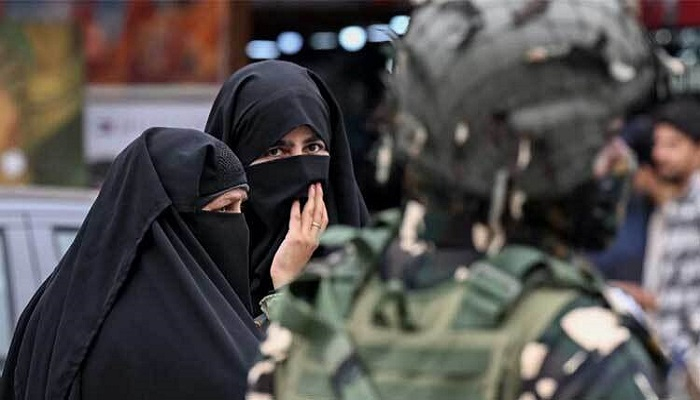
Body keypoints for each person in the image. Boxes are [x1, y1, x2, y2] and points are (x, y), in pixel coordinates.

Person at [246, 1, 669, 399]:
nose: (621, 158)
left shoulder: (311, 315)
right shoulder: (584, 346)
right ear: (534, 153)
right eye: (604, 136)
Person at [1, 127, 278, 399]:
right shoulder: (189, 341)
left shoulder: (50, 311)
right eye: (224, 208)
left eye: (241, 207)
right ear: (175, 218)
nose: (239, 223)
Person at [205, 60, 369, 315]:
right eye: (276, 151)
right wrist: (286, 282)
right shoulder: (201, 273)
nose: (302, 170)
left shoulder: (364, 265)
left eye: (313, 147)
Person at [647, 98, 700, 398]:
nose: (659, 154)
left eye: (673, 145)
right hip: (677, 367)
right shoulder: (677, 204)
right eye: (657, 144)